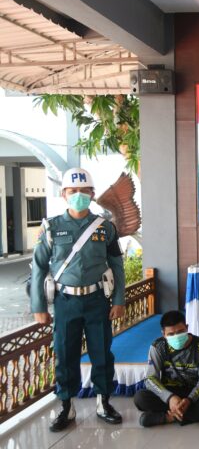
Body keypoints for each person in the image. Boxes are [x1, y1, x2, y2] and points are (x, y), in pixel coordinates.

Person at [30, 167, 125, 432]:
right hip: (65, 301)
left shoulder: (105, 227)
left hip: (97, 300)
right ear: (63, 194)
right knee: (65, 354)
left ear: (92, 194)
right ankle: (66, 406)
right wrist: (38, 306)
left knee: (101, 352)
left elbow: (117, 265)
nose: (78, 195)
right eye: (73, 191)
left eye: (84, 191)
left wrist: (119, 300)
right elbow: (39, 267)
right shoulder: (51, 228)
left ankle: (103, 402)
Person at [134, 310, 199, 426]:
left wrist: (189, 399)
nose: (176, 337)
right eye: (171, 334)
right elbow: (150, 378)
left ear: (187, 327)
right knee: (140, 397)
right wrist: (170, 398)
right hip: (169, 391)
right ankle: (190, 415)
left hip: (193, 393)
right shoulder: (158, 346)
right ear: (163, 334)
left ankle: (168, 417)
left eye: (180, 332)